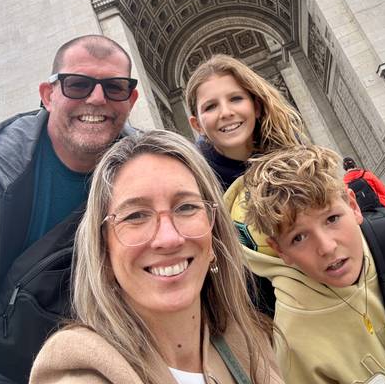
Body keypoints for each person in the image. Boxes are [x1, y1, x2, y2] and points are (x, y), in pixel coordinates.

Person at [29, 130, 283, 384]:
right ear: (104, 254)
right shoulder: (79, 368)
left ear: (214, 237)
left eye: (186, 207)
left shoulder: (252, 340)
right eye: (135, 215)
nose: (169, 238)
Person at [225, 146, 385, 384]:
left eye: (332, 219)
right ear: (280, 250)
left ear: (353, 206)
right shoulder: (293, 339)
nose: (327, 247)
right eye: (298, 237)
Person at [0, 35, 139, 384]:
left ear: (131, 100)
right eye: (78, 84)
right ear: (48, 94)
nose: (97, 98)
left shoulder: (147, 170)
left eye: (115, 87)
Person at [185, 54, 303, 190]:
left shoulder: (289, 143)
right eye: (210, 107)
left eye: (235, 98)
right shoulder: (193, 177)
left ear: (256, 107)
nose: (226, 113)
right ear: (197, 125)